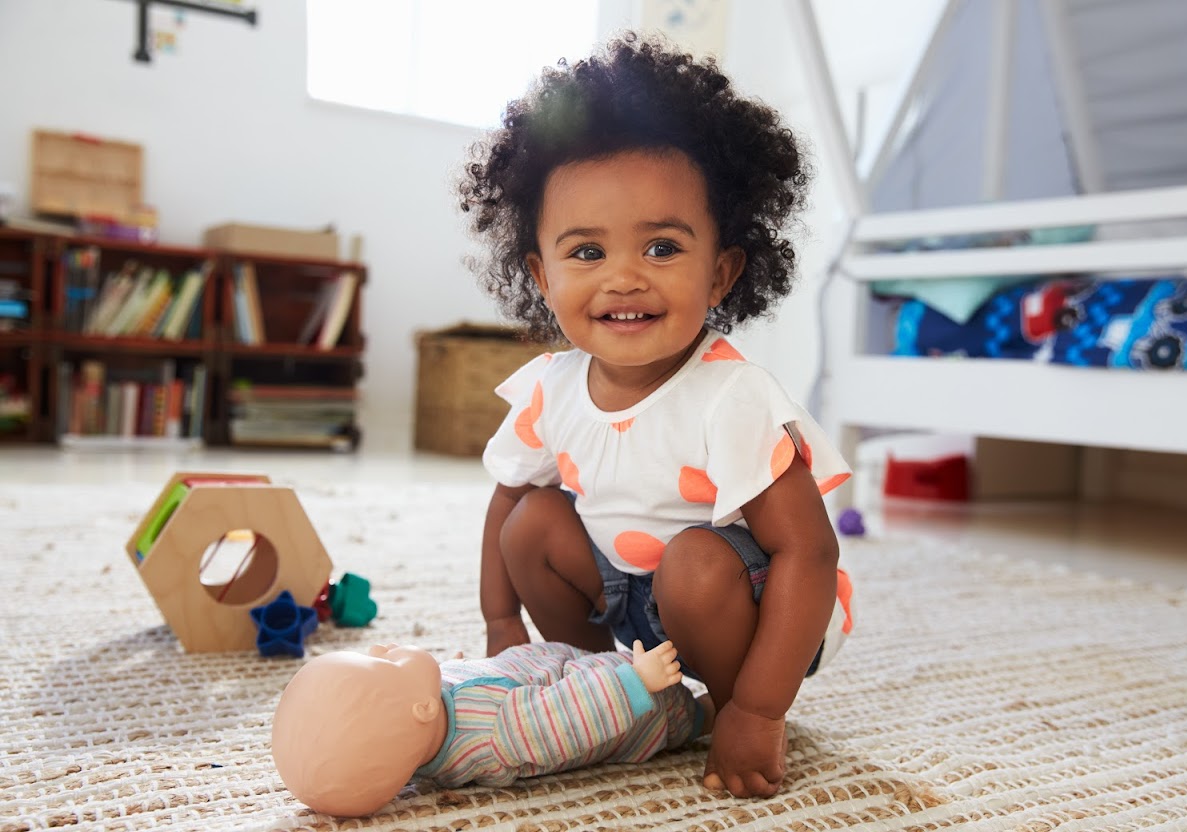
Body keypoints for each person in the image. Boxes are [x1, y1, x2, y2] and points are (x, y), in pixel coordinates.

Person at [458, 32, 855, 799]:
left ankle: (722, 704)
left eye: (664, 246)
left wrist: (761, 711)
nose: (625, 278)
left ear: (722, 272)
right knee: (532, 522)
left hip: (752, 611)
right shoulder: (552, 387)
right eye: (585, 254)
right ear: (540, 275)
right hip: (636, 597)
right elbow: (508, 501)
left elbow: (809, 556)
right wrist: (502, 629)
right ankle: (617, 686)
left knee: (696, 561)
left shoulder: (730, 396)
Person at [272, 640, 710, 817]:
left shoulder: (420, 727)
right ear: (422, 709)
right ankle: (714, 712)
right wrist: (638, 681)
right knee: (708, 710)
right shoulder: (500, 733)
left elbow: (447, 682)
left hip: (565, 662)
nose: (384, 646)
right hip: (644, 707)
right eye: (385, 660)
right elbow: (571, 715)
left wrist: (462, 671)